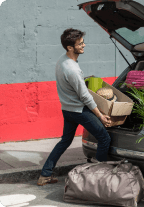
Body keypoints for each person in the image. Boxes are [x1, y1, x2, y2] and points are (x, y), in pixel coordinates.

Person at [37, 28, 112, 186]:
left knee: (65, 141)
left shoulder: (62, 60)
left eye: (83, 42)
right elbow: (85, 96)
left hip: (67, 109)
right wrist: (100, 115)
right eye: (80, 43)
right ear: (70, 47)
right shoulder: (72, 69)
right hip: (79, 111)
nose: (84, 45)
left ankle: (45, 175)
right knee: (104, 138)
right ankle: (99, 179)